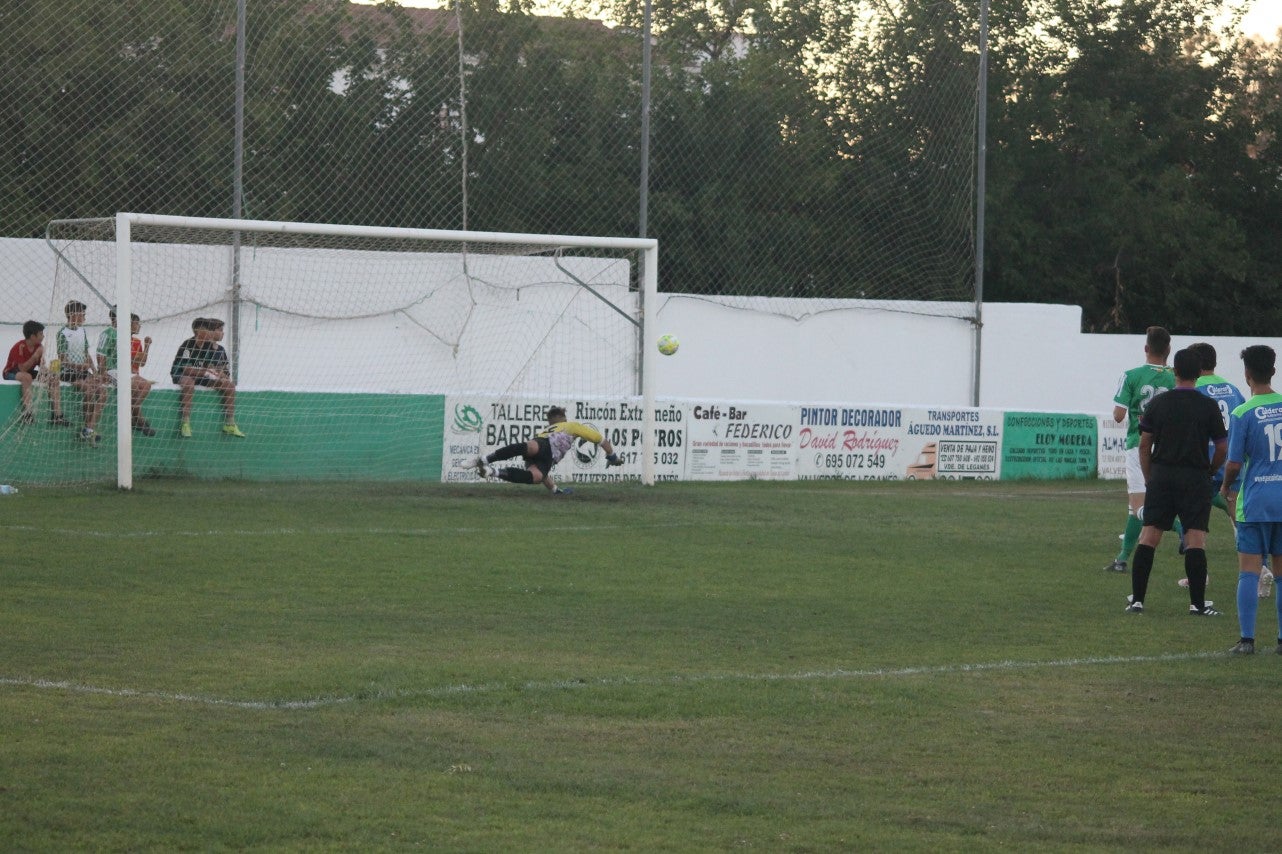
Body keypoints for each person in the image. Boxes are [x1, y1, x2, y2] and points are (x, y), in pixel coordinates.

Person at [1124, 347, 1226, 616]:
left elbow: (1144, 445)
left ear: (1175, 372)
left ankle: (1138, 600)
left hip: (1163, 476)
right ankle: (1197, 605)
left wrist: (1150, 477)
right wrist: (1210, 471)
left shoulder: (1159, 403)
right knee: (1195, 539)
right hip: (1194, 478)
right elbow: (1223, 447)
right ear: (1198, 373)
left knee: (1149, 537)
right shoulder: (1208, 406)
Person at [1188, 341, 1273, 598]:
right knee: (1238, 517)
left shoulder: (1193, 389)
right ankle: (1264, 568)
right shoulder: (1232, 388)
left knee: (1192, 518)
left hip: (1203, 460)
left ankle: (1199, 575)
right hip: (1231, 461)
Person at [1104, 326, 1178, 573]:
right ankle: (1122, 558)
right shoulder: (1175, 377)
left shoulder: (1131, 375)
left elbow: (1118, 415)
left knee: (1139, 507)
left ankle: (1182, 529)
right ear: (1168, 350)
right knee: (1132, 507)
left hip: (1138, 446)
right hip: (1167, 447)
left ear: (1146, 348)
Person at [1224, 346, 1282, 654]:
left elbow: (1233, 463)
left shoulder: (1243, 413)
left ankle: (1247, 640)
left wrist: (1225, 488)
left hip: (1256, 500)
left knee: (1248, 570)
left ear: (1247, 375)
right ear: (1273, 371)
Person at [472, 405, 623, 494]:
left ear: (550, 421)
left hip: (544, 454)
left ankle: (492, 471)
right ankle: (485, 460)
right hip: (544, 446)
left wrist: (556, 490)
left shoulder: (543, 431)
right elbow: (600, 439)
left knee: (537, 475)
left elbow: (545, 474)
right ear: (564, 418)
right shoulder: (571, 426)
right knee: (533, 449)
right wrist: (612, 456)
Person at [170, 317, 245, 438]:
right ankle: (185, 423)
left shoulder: (210, 347)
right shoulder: (188, 344)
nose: (211, 333)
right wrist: (207, 372)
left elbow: (213, 368)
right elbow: (186, 369)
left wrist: (218, 375)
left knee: (229, 386)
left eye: (212, 330)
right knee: (189, 383)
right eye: (208, 329)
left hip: (201, 376)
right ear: (198, 331)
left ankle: (230, 423)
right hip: (181, 374)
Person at [96, 307, 156, 437]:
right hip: (111, 370)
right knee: (133, 386)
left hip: (125, 371)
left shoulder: (125, 336)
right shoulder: (107, 333)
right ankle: (139, 420)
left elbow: (137, 360)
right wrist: (102, 373)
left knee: (146, 385)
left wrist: (146, 347)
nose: (139, 326)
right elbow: (100, 354)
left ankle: (133, 413)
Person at [55, 299, 107, 446]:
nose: (84, 317)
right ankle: (88, 429)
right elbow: (62, 360)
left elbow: (86, 354)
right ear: (73, 314)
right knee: (89, 391)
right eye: (82, 314)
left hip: (84, 371)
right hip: (69, 372)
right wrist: (79, 366)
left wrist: (95, 371)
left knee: (103, 392)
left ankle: (89, 427)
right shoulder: (62, 334)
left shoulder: (82, 331)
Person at [4, 320, 69, 426]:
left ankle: (57, 416)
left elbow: (41, 368)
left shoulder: (39, 347)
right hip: (12, 371)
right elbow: (22, 369)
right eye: (41, 334)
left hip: (28, 371)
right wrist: (35, 356)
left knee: (53, 378)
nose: (43, 336)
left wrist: (49, 373)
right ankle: (27, 413)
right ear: (32, 336)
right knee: (27, 377)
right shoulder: (19, 346)